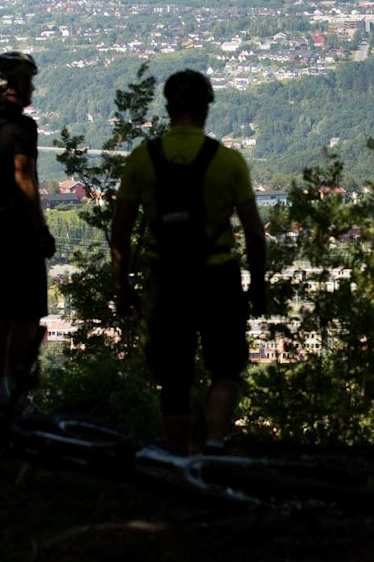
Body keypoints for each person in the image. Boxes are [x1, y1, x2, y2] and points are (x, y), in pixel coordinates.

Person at [110, 69, 268, 454]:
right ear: (206, 107)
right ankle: (214, 445)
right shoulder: (228, 162)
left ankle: (178, 459)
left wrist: (123, 288)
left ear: (167, 107)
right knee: (226, 367)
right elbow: (253, 232)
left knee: (174, 378)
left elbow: (120, 231)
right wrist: (258, 285)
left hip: (167, 279)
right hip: (217, 278)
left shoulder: (141, 160)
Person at [0, 51, 54, 405]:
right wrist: (40, 227)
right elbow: (25, 178)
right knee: (28, 315)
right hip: (20, 231)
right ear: (18, 84)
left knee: (3, 312)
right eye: (29, 81)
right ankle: (19, 393)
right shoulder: (22, 127)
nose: (33, 87)